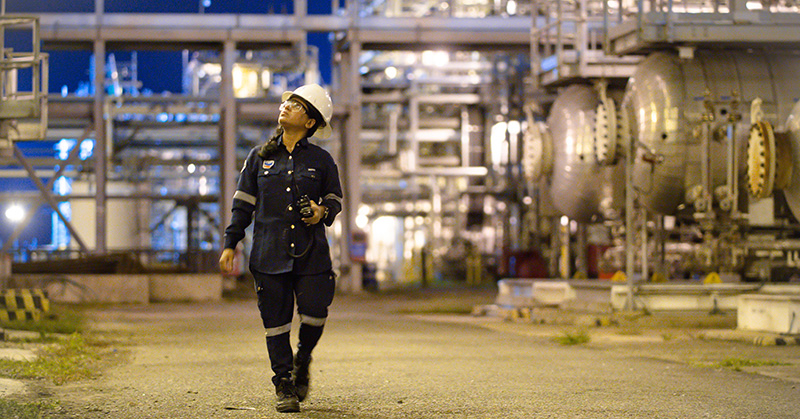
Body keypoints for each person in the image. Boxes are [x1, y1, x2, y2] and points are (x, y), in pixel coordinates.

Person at [219, 83, 343, 413]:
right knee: (276, 323)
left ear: (310, 123)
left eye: (297, 105)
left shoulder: (322, 160)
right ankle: (284, 383)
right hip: (269, 254)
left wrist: (321, 212)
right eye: (288, 102)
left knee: (315, 315)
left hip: (312, 254)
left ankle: (303, 360)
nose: (286, 106)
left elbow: (335, 198)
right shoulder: (259, 158)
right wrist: (231, 243)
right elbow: (242, 205)